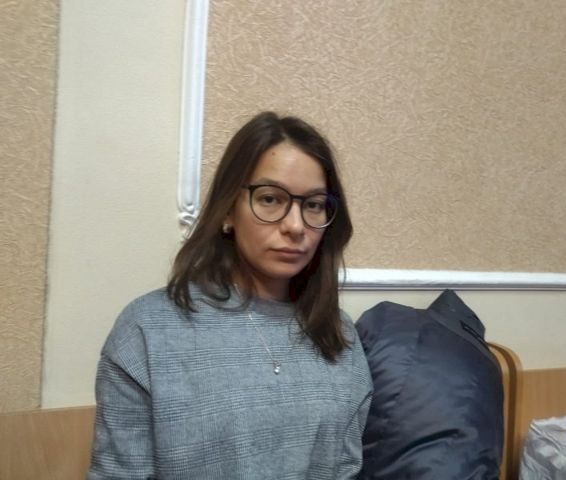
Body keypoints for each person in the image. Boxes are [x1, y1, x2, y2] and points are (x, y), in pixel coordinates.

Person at [87, 111, 373, 479]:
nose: (295, 225)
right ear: (227, 211)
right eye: (270, 199)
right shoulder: (148, 331)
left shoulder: (340, 336)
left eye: (314, 205)